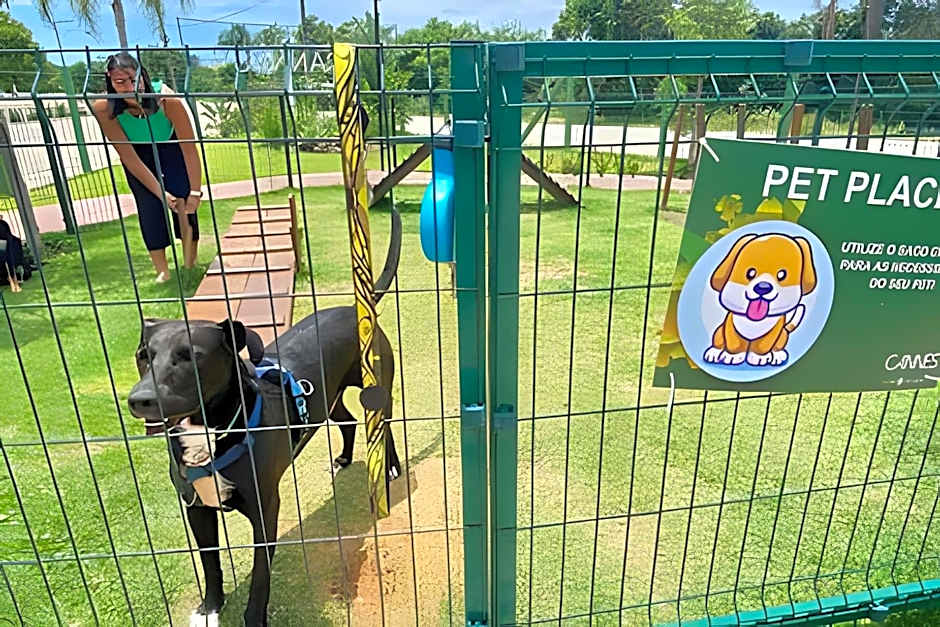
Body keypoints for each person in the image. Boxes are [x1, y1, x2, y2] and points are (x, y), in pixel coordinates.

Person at [92, 53, 202, 283]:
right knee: (149, 206)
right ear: (110, 81)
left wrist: (195, 192)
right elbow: (128, 157)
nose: (130, 87)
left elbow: (189, 149)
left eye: (134, 80)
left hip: (171, 146)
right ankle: (162, 271)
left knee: (183, 201)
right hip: (138, 154)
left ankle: (190, 264)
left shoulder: (167, 101)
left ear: (143, 76)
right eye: (120, 82)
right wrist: (161, 193)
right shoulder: (104, 108)